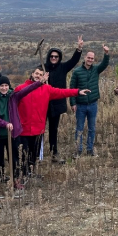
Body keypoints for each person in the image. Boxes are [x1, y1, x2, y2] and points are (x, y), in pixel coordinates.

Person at [15, 66, 90, 182]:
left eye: (40, 74)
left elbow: (61, 92)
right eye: (36, 73)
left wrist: (77, 92)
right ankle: (23, 175)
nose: (38, 76)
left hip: (38, 129)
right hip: (23, 129)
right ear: (31, 74)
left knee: (33, 154)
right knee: (23, 153)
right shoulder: (20, 89)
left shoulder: (46, 89)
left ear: (44, 77)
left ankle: (31, 173)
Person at [0, 75, 44, 195]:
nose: (4, 88)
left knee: (15, 159)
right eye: (2, 86)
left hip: (13, 135)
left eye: (6, 85)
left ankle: (16, 180)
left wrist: (39, 83)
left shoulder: (14, 96)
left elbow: (26, 90)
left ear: (9, 86)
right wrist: (5, 123)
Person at [44, 36, 84, 164]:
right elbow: (33, 78)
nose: (54, 58)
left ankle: (54, 152)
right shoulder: (43, 68)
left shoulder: (63, 67)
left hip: (56, 104)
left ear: (59, 57)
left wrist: (79, 49)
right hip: (43, 103)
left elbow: (73, 61)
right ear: (49, 57)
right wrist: (41, 79)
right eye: (52, 56)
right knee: (39, 130)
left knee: (53, 129)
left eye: (56, 56)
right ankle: (36, 155)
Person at [69, 45, 110, 156]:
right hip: (80, 105)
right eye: (89, 58)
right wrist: (72, 103)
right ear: (85, 58)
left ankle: (90, 149)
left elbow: (105, 64)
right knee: (79, 129)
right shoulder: (77, 72)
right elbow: (72, 88)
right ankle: (78, 150)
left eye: (92, 58)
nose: (90, 60)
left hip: (92, 104)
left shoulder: (96, 70)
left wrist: (106, 54)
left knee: (92, 128)